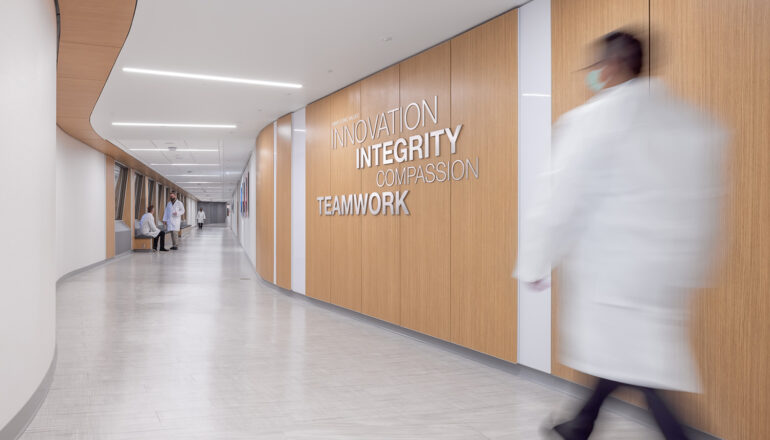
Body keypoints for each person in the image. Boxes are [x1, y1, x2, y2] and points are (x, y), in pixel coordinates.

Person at [514, 30, 726, 440]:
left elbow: (558, 198)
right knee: (628, 358)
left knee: (642, 370)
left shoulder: (592, 120)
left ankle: (604, 427)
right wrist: (693, 267)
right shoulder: (690, 123)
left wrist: (536, 260)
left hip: (612, 270)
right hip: (662, 275)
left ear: (609, 67)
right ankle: (581, 423)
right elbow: (706, 202)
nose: (593, 77)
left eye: (594, 68)